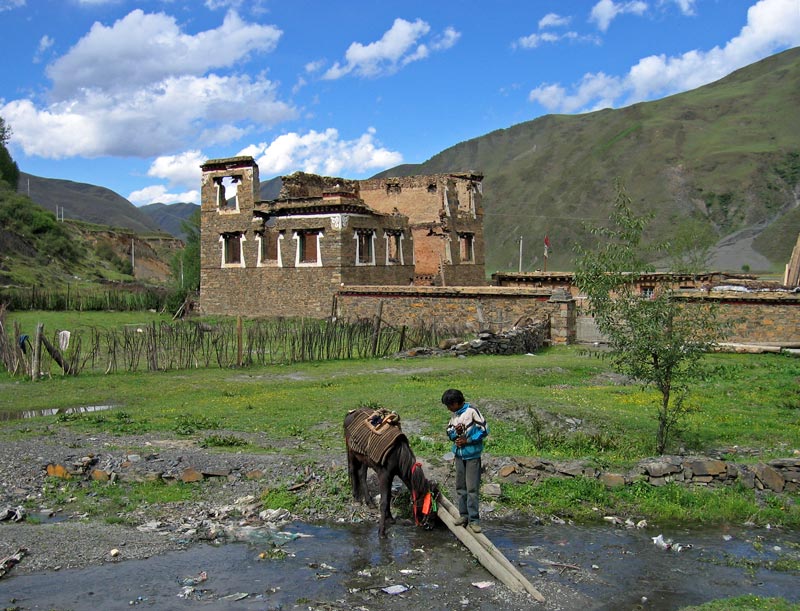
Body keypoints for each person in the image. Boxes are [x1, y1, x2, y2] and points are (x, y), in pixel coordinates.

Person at [443, 388, 488, 533]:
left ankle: (474, 520)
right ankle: (463, 516)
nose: (449, 409)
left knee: (472, 488)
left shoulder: (472, 411)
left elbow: (484, 430)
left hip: (472, 456)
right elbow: (449, 432)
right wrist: (455, 434)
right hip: (459, 456)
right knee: (460, 487)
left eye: (449, 406)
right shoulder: (455, 415)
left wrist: (467, 440)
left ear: (456, 403)